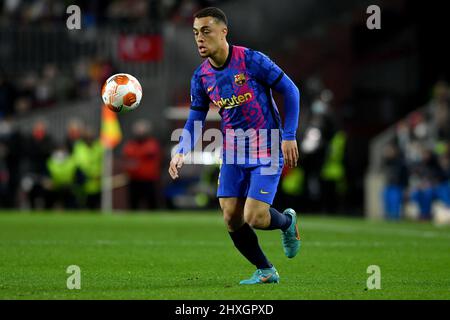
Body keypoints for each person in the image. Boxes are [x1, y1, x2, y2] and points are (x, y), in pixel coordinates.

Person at [168, 7, 301, 285]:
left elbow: (291, 90)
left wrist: (289, 135)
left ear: (223, 31)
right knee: (231, 217)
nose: (199, 39)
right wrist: (181, 150)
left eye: (206, 31)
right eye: (195, 33)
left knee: (254, 216)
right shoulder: (201, 77)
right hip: (233, 151)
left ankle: (287, 223)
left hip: (266, 146)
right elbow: (196, 119)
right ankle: (266, 270)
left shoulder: (252, 61)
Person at [122, 120, 162, 210]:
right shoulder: (130, 144)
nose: (140, 133)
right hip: (134, 179)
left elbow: (149, 152)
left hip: (149, 180)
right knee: (133, 204)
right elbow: (127, 156)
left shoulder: (152, 144)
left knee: (152, 204)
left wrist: (136, 158)